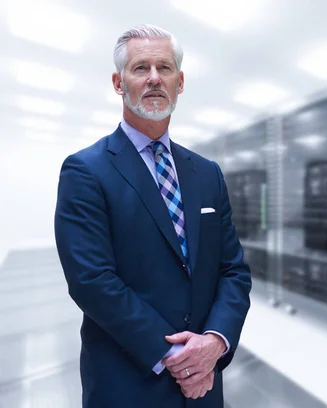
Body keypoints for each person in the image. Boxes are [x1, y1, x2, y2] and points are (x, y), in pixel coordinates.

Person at [54, 24, 252, 407]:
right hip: (129, 381)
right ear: (118, 82)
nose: (154, 78)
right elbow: (91, 281)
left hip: (204, 383)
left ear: (180, 83)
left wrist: (214, 341)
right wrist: (177, 358)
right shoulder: (86, 171)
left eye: (165, 68)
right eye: (141, 68)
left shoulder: (206, 172)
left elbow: (233, 270)